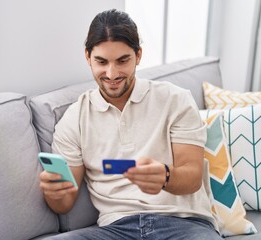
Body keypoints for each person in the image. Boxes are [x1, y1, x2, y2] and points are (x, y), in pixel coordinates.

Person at [39, 9, 222, 240]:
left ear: (138, 55)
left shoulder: (175, 100)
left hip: (183, 224)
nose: (112, 73)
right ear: (87, 57)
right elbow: (64, 204)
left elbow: (192, 177)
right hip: (115, 229)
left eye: (122, 60)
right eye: (101, 61)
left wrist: (165, 176)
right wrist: (54, 192)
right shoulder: (75, 119)